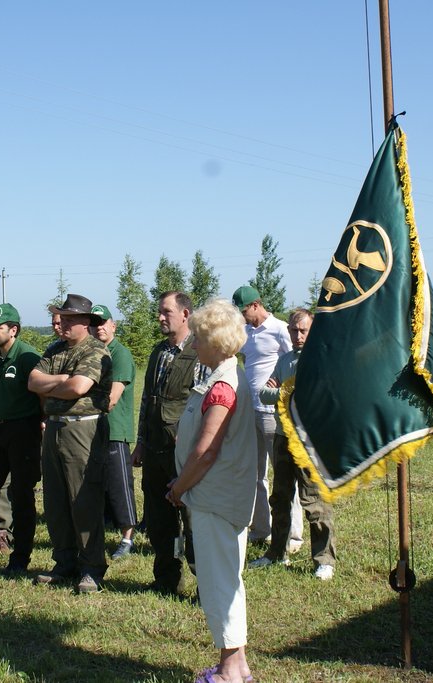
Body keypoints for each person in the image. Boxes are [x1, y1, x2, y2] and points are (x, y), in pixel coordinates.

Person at [166, 298, 256, 683]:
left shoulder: (223, 386)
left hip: (215, 497)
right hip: (218, 494)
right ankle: (237, 664)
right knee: (226, 578)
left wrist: (179, 487)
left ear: (215, 343)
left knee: (219, 582)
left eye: (199, 338)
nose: (194, 345)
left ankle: (230, 670)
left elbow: (205, 452)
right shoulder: (226, 376)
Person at [28, 294, 112, 594]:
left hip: (83, 428)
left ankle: (92, 567)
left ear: (85, 322)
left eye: (68, 318)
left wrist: (57, 383)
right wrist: (62, 380)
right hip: (54, 427)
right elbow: (33, 381)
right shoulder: (55, 349)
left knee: (83, 499)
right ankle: (64, 563)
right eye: (60, 318)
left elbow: (79, 387)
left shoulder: (96, 350)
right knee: (56, 500)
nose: (61, 323)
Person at [249, 309, 337, 579]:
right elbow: (264, 394)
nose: (297, 336)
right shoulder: (284, 360)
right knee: (280, 498)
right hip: (282, 436)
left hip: (308, 440)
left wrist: (286, 391)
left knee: (314, 501)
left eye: (303, 331)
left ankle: (324, 560)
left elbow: (315, 397)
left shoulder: (320, 359)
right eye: (293, 330)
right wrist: (288, 390)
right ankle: (277, 553)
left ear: (312, 331)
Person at [133, 291, 207, 595]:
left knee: (193, 520)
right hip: (154, 448)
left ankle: (206, 585)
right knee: (159, 520)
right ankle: (167, 579)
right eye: (159, 312)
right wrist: (140, 442)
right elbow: (146, 401)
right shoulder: (158, 352)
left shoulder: (199, 352)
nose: (160, 317)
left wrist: (194, 447)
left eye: (166, 312)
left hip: (183, 451)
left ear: (185, 314)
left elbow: (204, 404)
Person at [0, 304, 43, 574]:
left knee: (21, 495)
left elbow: (42, 396)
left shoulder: (27, 357)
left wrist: (40, 423)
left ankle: (20, 559)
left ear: (13, 330)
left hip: (23, 430)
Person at [231, 285, 294, 546]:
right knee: (256, 474)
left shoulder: (280, 329)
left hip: (272, 413)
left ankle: (292, 536)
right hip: (250, 411)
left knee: (284, 474)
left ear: (256, 305)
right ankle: (261, 529)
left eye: (243, 310)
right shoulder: (246, 332)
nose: (242, 316)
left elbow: (293, 363)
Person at [90, 304, 138, 561]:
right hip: (91, 429)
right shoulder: (91, 352)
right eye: (93, 324)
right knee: (95, 486)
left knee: (120, 486)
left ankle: (127, 538)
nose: (98, 328)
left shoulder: (120, 354)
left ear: (113, 325)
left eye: (102, 322)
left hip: (114, 430)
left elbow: (112, 398)